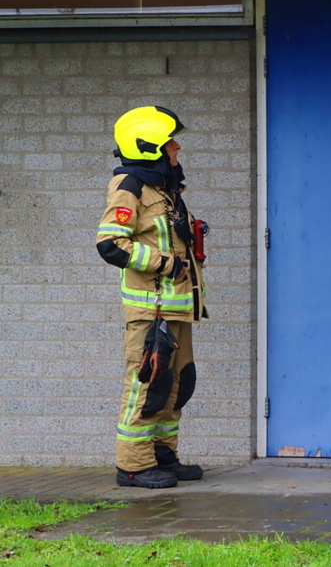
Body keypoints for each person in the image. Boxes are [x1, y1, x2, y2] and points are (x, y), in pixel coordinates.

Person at [95, 106, 208, 489]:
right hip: (151, 308)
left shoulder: (164, 187)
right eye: (169, 142)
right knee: (146, 385)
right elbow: (110, 244)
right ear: (149, 147)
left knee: (176, 386)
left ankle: (162, 455)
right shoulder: (129, 185)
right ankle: (133, 465)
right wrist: (164, 263)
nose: (176, 147)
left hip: (177, 308)